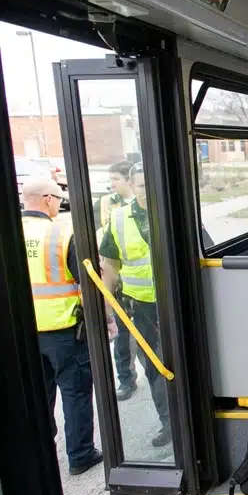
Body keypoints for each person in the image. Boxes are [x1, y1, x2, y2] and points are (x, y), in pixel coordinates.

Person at [21, 177, 105, 475]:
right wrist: (105, 320)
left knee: (37, 396)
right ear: (47, 199)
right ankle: (80, 455)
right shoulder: (61, 233)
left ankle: (40, 455)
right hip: (63, 331)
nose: (60, 203)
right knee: (75, 392)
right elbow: (89, 283)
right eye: (59, 198)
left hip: (23, 334)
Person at [100, 164, 172, 448]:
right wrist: (107, 311)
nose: (147, 191)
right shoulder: (118, 220)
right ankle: (168, 422)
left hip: (177, 303)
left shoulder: (174, 211)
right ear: (131, 185)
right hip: (141, 307)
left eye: (152, 185)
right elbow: (110, 268)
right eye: (142, 186)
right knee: (154, 366)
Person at [94, 161, 138, 401]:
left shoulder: (144, 203)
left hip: (139, 284)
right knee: (121, 337)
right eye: (109, 179)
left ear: (129, 180)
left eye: (115, 179)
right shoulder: (104, 204)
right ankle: (126, 379)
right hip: (116, 277)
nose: (111, 184)